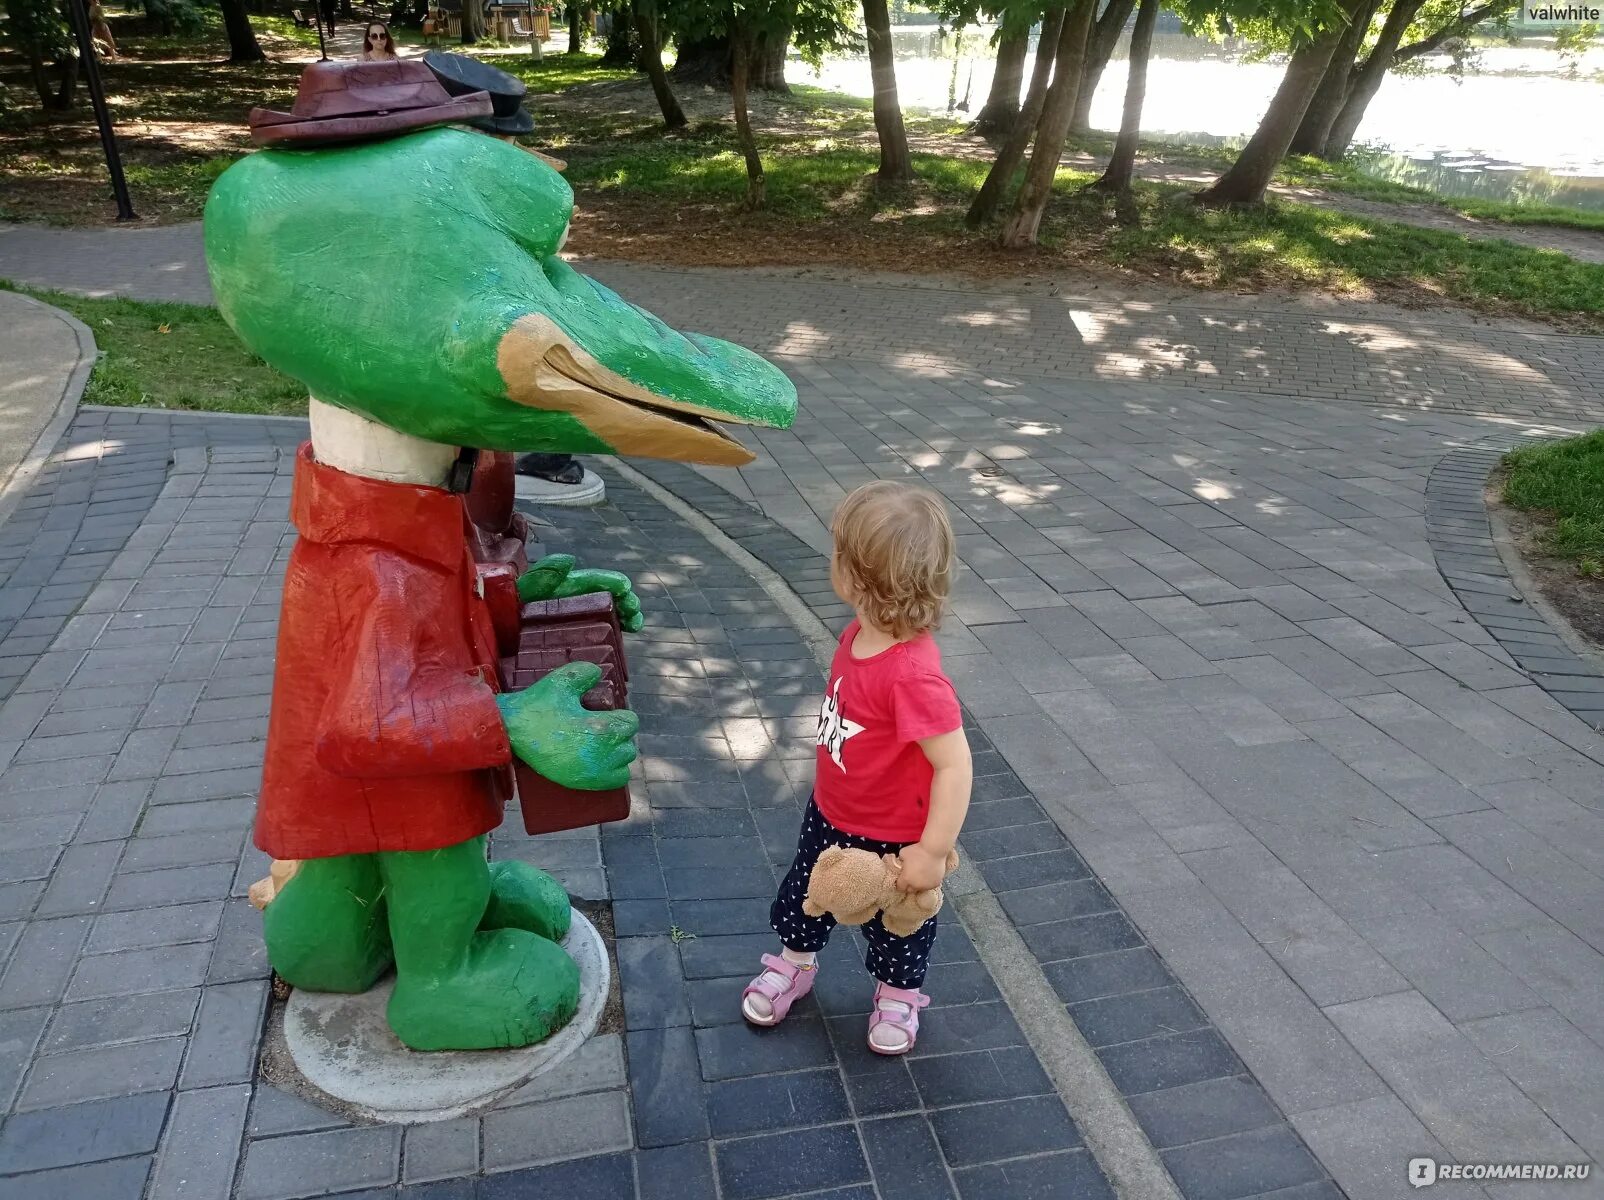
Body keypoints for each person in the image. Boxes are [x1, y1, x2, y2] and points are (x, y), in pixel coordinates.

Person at [742, 482, 973, 1055]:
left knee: (899, 923)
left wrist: (930, 851)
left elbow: (955, 765)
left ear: (860, 578)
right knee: (806, 893)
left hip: (894, 838)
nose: (831, 563)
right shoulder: (857, 634)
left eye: (837, 553)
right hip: (832, 811)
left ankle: (897, 995)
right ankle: (795, 963)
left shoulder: (914, 676)